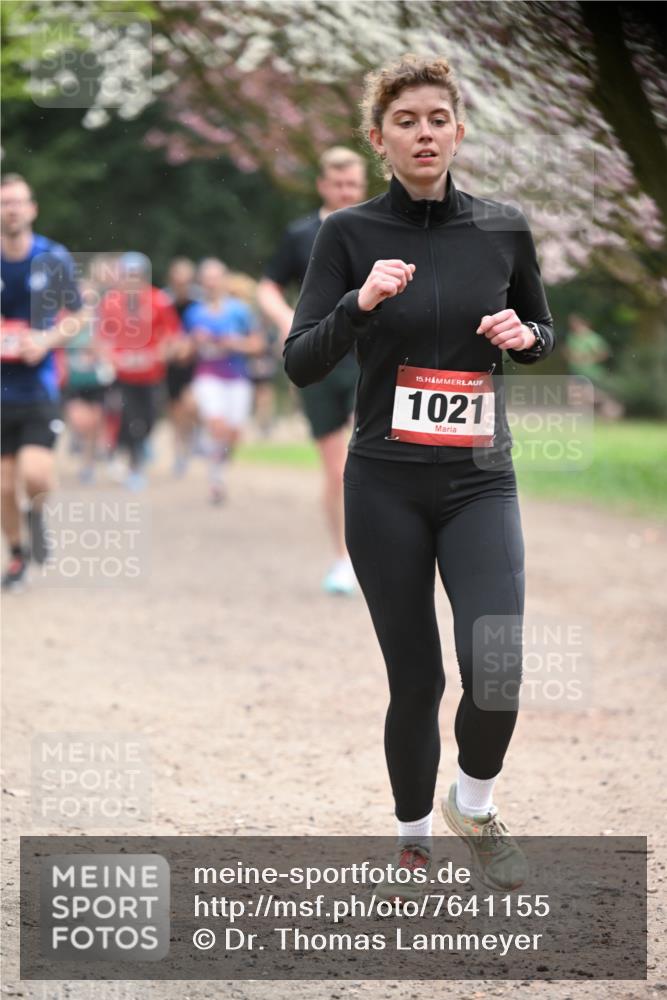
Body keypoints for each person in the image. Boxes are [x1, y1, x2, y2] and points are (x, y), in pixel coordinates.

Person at [284, 55, 555, 897]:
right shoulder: (348, 235)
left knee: (497, 666)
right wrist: (357, 304)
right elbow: (298, 361)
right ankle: (411, 839)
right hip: (384, 485)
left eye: (438, 117)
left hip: (479, 479)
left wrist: (528, 339)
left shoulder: (503, 229)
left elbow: (544, 330)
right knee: (418, 678)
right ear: (378, 139)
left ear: (458, 130)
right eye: (406, 121)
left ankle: (472, 803)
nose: (424, 132)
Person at [258, 147, 368, 595]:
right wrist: (288, 321)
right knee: (337, 467)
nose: (347, 192)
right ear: (323, 185)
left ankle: (380, 554)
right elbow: (267, 287)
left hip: (369, 360)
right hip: (319, 360)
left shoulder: (380, 228)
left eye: (354, 186)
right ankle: (343, 558)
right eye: (339, 185)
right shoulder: (301, 234)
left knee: (372, 459)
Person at [1, 173, 85, 590]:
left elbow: (80, 315)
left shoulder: (52, 257)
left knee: (35, 475)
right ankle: (17, 556)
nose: (11, 209)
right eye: (4, 203)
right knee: (1, 485)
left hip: (39, 385)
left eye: (17, 202)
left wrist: (46, 340)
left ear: (32, 209)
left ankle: (36, 512)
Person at [182, 258, 264, 505]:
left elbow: (258, 345)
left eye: (216, 277)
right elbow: (183, 352)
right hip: (207, 376)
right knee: (217, 425)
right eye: (207, 278)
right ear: (201, 282)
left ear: (224, 280)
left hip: (237, 378)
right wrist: (195, 342)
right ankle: (216, 480)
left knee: (234, 433)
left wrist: (235, 343)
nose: (212, 283)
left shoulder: (240, 311)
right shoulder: (193, 313)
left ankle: (216, 459)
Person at [98, 252, 180, 491]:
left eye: (136, 275)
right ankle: (134, 465)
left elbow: (171, 334)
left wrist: (159, 354)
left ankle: (137, 446)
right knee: (131, 418)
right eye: (128, 275)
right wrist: (113, 358)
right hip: (123, 376)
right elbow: (103, 337)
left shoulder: (159, 300)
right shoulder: (111, 301)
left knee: (151, 417)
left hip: (152, 373)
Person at [61, 280, 115, 484]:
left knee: (94, 423)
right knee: (80, 421)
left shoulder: (102, 322)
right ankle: (77, 440)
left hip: (96, 381)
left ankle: (88, 464)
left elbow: (111, 347)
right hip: (73, 382)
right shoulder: (63, 319)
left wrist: (100, 350)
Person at [163, 257, 200, 476]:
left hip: (195, 363)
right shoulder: (164, 301)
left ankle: (193, 438)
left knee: (191, 405)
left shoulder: (198, 302)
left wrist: (188, 346)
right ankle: (180, 453)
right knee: (175, 411)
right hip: (172, 364)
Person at [564, 312, 624, 419]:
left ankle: (610, 406)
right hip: (575, 371)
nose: (573, 325)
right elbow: (568, 352)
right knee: (574, 395)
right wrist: (572, 357)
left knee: (587, 396)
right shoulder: (572, 337)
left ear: (584, 323)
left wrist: (589, 359)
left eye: (576, 322)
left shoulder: (592, 338)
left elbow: (604, 353)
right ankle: (581, 417)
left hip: (590, 372)